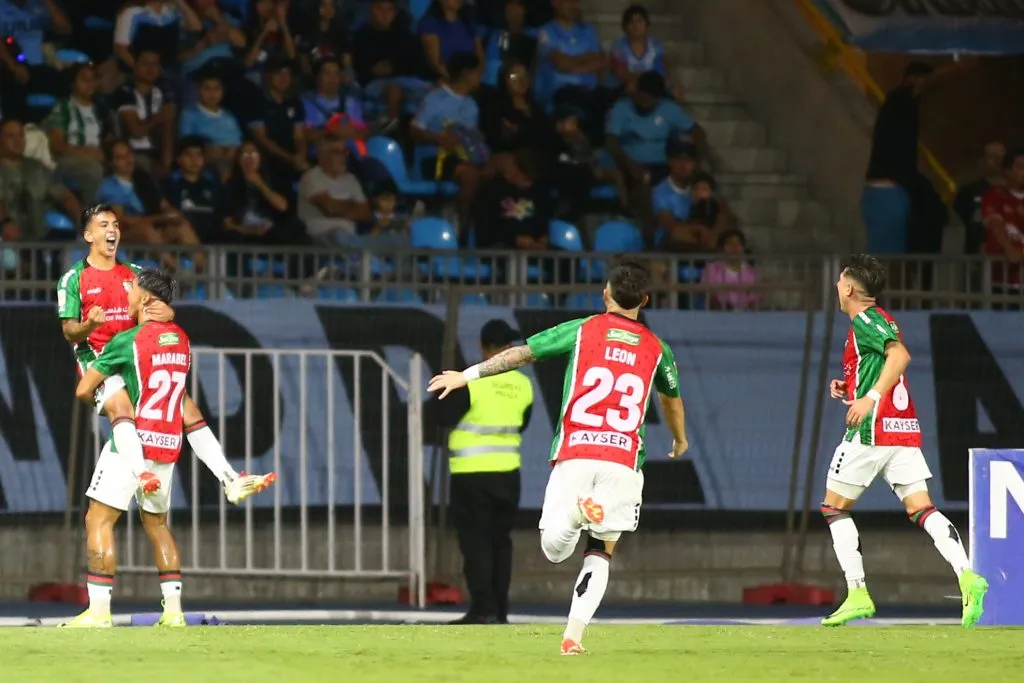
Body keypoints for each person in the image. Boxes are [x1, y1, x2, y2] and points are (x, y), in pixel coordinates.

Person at [428, 259, 688, 654]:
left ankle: (577, 514)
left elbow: (521, 355)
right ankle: (573, 635)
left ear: (605, 294)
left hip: (578, 451)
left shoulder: (582, 330)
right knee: (600, 551)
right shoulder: (658, 349)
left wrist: (466, 375)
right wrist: (679, 439)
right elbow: (671, 401)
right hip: (623, 460)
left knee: (554, 550)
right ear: (645, 300)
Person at [61, 268, 277, 628]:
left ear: (146, 298)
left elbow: (84, 389)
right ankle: (174, 611)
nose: (127, 293)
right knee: (158, 525)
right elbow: (183, 405)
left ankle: (98, 611)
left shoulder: (125, 342)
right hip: (168, 444)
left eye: (133, 289)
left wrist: (109, 386)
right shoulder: (181, 340)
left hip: (133, 442)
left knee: (98, 519)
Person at [56, 204, 274, 511]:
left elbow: (160, 308)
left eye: (115, 225)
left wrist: (168, 312)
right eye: (104, 225)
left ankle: (230, 479)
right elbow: (69, 332)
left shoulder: (135, 274)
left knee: (188, 407)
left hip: (136, 356)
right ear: (88, 235)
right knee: (121, 404)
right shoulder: (73, 279)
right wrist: (89, 325)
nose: (112, 230)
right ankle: (141, 473)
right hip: (100, 359)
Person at [820, 254, 987, 628]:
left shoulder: (864, 321)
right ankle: (968, 576)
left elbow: (899, 356)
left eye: (840, 281)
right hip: (903, 429)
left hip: (872, 431)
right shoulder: (881, 319)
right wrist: (852, 386)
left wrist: (869, 398)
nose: (837, 286)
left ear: (849, 289)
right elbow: (882, 363)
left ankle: (857, 593)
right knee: (922, 508)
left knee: (834, 508)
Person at [436, 319, 534, 625]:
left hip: (472, 474)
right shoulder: (523, 384)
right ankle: (500, 611)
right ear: (508, 347)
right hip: (508, 474)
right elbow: (521, 424)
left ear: (483, 347)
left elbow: (442, 415)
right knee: (500, 543)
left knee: (476, 543)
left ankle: (483, 609)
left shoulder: (472, 380)